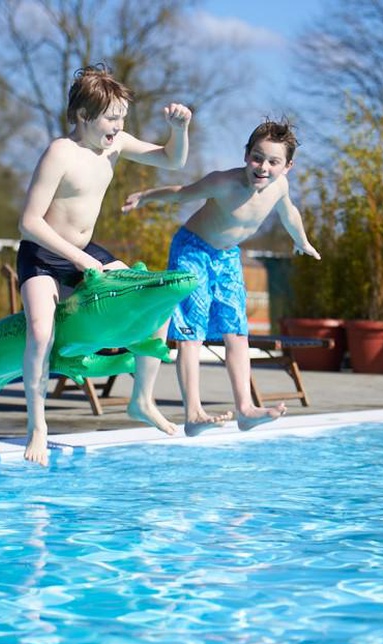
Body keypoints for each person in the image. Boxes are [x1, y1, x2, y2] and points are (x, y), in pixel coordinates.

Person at [18, 63, 192, 465]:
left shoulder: (114, 145)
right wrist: (80, 261)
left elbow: (172, 161)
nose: (118, 126)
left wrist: (179, 131)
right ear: (83, 116)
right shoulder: (61, 152)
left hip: (85, 253)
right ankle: (38, 426)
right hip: (44, 255)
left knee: (156, 298)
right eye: (112, 118)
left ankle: (142, 399)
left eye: (122, 118)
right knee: (41, 334)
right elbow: (28, 223)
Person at [121, 118, 321, 437]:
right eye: (257, 157)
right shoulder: (223, 183)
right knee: (191, 331)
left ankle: (245, 409)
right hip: (193, 250)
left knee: (236, 331)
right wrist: (146, 196)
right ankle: (194, 412)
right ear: (246, 155)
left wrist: (302, 240)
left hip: (228, 256)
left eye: (273, 161)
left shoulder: (280, 187)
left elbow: (290, 212)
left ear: (288, 166)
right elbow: (181, 194)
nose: (263, 167)